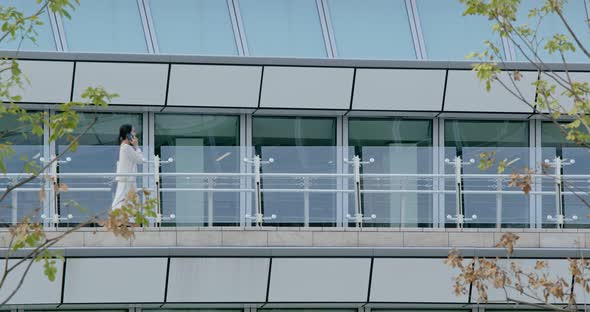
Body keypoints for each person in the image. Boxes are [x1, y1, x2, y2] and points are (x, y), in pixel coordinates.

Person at [111, 124, 145, 210]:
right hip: (127, 180)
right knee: (121, 201)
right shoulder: (126, 147)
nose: (135, 134)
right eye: (133, 131)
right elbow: (140, 160)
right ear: (128, 135)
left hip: (127, 179)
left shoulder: (125, 147)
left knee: (127, 201)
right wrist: (136, 146)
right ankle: (116, 220)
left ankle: (126, 220)